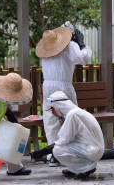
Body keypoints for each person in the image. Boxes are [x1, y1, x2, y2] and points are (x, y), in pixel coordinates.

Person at [35, 22, 92, 166]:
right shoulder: (70, 46)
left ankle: (54, 154)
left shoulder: (46, 50)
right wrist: (82, 44)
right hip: (63, 87)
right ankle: (69, 152)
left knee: (50, 120)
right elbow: (83, 59)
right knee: (71, 118)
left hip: (47, 87)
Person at [44, 91, 104, 179]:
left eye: (52, 109)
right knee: (60, 148)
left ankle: (86, 167)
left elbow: (64, 139)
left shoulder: (72, 115)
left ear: (58, 107)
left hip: (92, 150)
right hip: (92, 149)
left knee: (57, 150)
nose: (52, 113)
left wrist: (46, 150)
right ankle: (77, 169)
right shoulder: (76, 112)